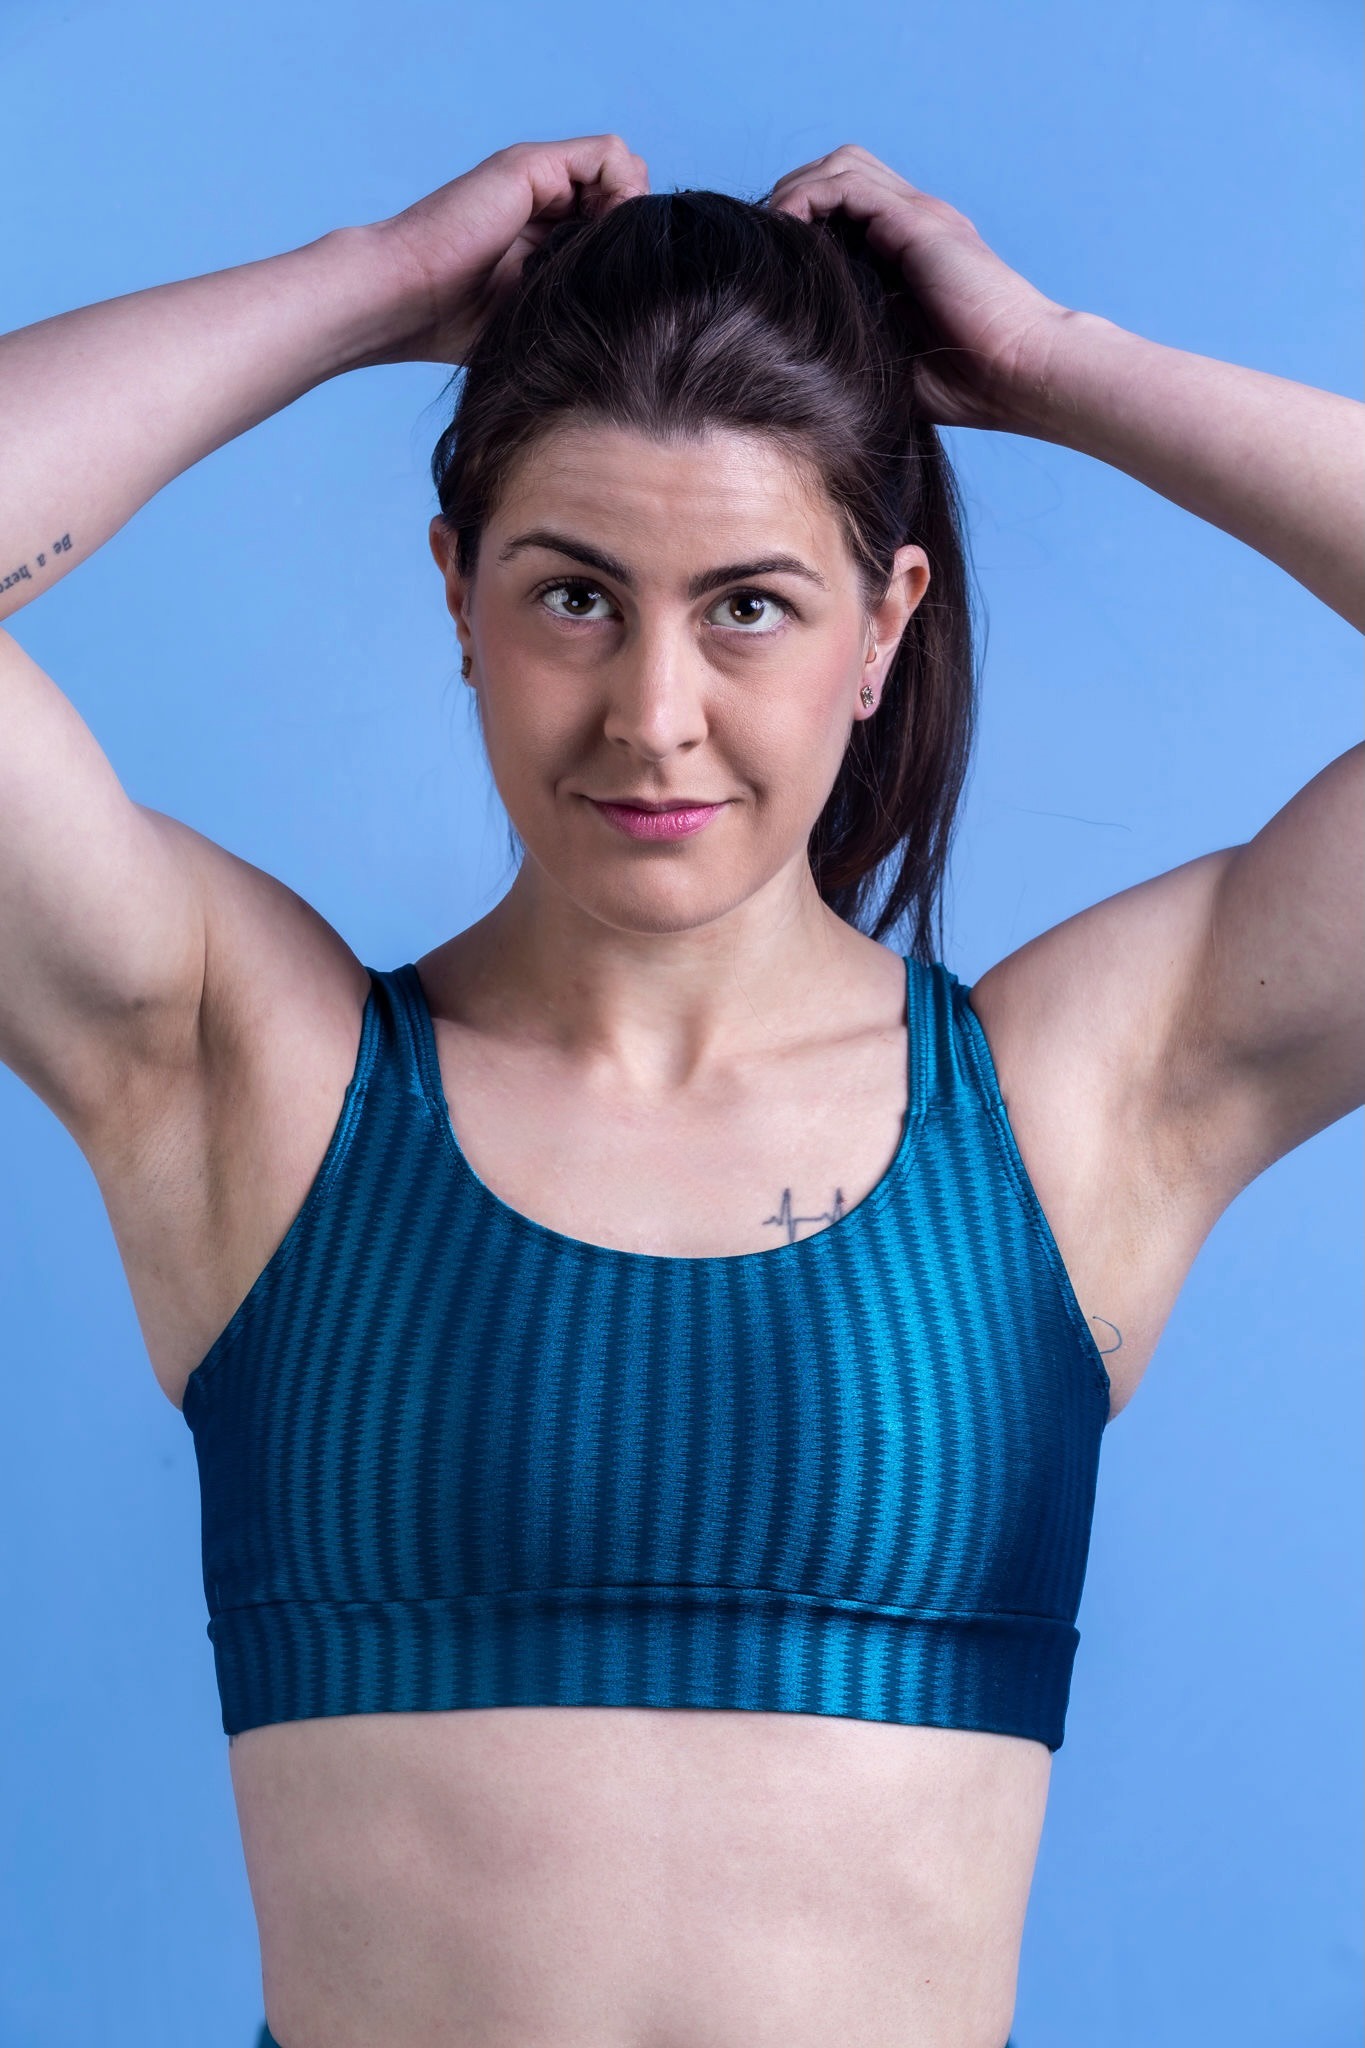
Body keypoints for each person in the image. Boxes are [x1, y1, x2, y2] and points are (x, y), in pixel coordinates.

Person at [0, 133, 1359, 2048]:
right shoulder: (252, 1081)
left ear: (882, 626)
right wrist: (365, 286)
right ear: (455, 594)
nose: (652, 711)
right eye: (572, 598)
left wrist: (1057, 362)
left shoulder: (1069, 1114)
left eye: (747, 605)